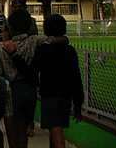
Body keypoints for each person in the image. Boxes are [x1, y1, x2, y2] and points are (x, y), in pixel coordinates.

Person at [0, 9, 67, 148]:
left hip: (12, 90)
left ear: (10, 27)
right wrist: (65, 39)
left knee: (15, 129)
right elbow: (55, 39)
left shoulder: (3, 48)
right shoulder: (34, 41)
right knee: (25, 129)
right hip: (30, 89)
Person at [25, 14, 83, 148]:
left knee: (55, 129)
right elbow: (76, 77)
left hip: (50, 95)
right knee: (55, 128)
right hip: (66, 96)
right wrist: (78, 103)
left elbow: (32, 70)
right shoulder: (70, 51)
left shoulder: (44, 49)